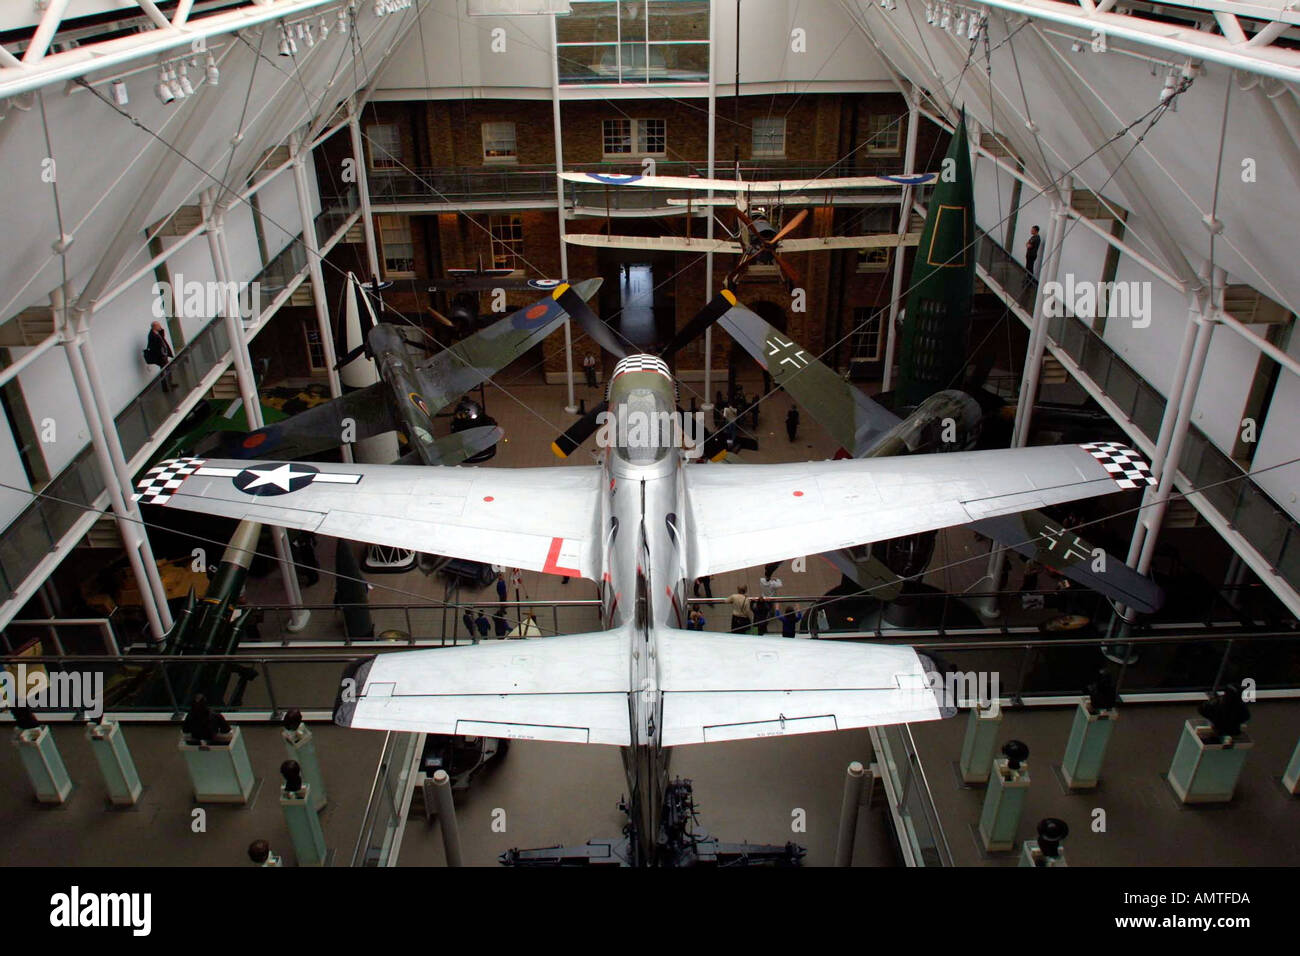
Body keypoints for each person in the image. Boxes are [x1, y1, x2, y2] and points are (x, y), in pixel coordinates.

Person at [143, 320, 175, 390]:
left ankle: (169, 384)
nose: (159, 326)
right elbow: (154, 347)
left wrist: (161, 329)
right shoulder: (152, 335)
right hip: (160, 356)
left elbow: (162, 338)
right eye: (158, 325)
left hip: (163, 355)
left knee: (166, 369)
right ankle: (166, 386)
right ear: (154, 327)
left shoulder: (157, 333)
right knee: (164, 371)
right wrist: (161, 354)